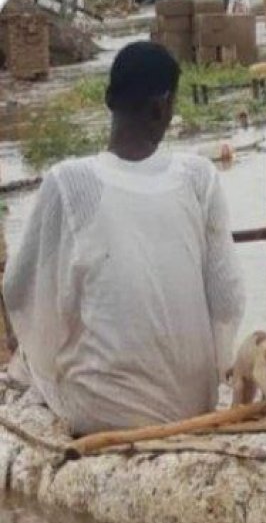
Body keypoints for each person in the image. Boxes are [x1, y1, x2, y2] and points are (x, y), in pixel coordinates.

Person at [3, 41, 245, 435]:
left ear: (107, 100)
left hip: (103, 413)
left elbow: (18, 290)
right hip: (195, 403)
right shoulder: (199, 176)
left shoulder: (69, 181)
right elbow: (228, 298)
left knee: (35, 364)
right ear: (161, 107)